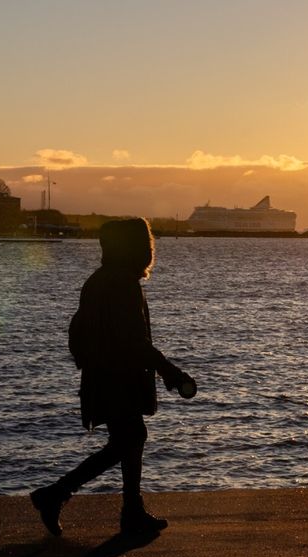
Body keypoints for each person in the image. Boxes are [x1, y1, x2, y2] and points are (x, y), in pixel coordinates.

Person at [30, 218, 194, 536]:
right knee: (130, 439)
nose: (150, 248)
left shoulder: (102, 280)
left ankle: (130, 510)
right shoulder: (122, 284)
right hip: (117, 379)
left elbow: (83, 334)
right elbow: (133, 341)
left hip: (105, 376)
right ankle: (56, 494)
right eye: (147, 242)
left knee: (130, 439)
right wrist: (169, 371)